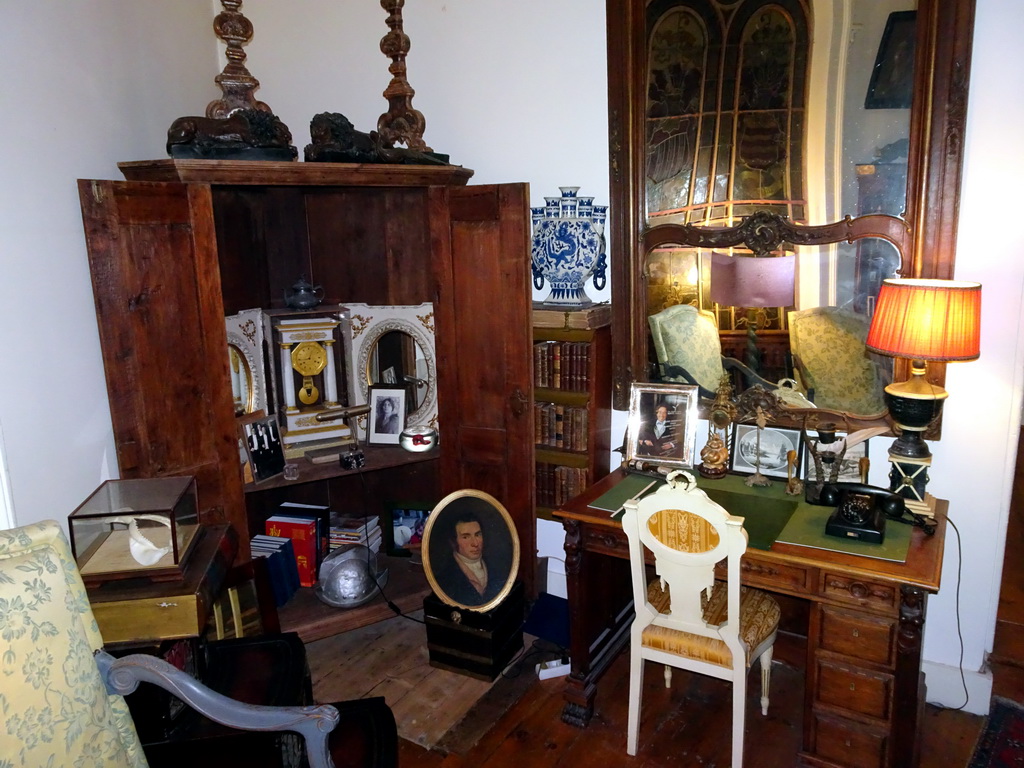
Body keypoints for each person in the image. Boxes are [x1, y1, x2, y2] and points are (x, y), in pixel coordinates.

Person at [435, 512, 503, 606]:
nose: (475, 543)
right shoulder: (444, 578)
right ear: (453, 542)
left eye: (477, 535)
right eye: (466, 537)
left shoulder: (495, 569)